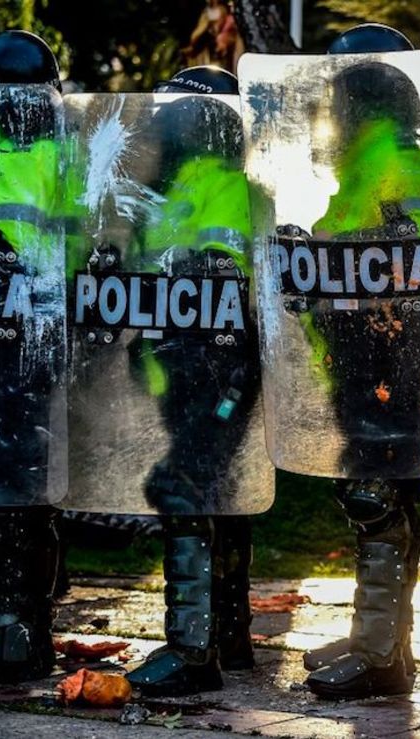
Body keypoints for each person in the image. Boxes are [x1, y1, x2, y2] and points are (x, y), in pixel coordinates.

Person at [300, 23, 420, 700]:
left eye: (339, 100)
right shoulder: (366, 170)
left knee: (377, 498)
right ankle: (381, 637)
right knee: (380, 497)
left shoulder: (396, 169)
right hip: (366, 361)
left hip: (389, 364)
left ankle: (381, 656)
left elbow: (417, 269)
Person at [121, 66, 258, 696]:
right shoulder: (173, 190)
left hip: (218, 371)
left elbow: (221, 267)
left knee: (181, 486)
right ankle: (229, 635)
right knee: (218, 494)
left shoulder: (222, 183)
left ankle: (192, 649)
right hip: (184, 372)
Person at [0, 29, 65, 683]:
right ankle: (8, 622)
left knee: (18, 480)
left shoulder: (65, 159)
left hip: (36, 345)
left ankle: (18, 631)